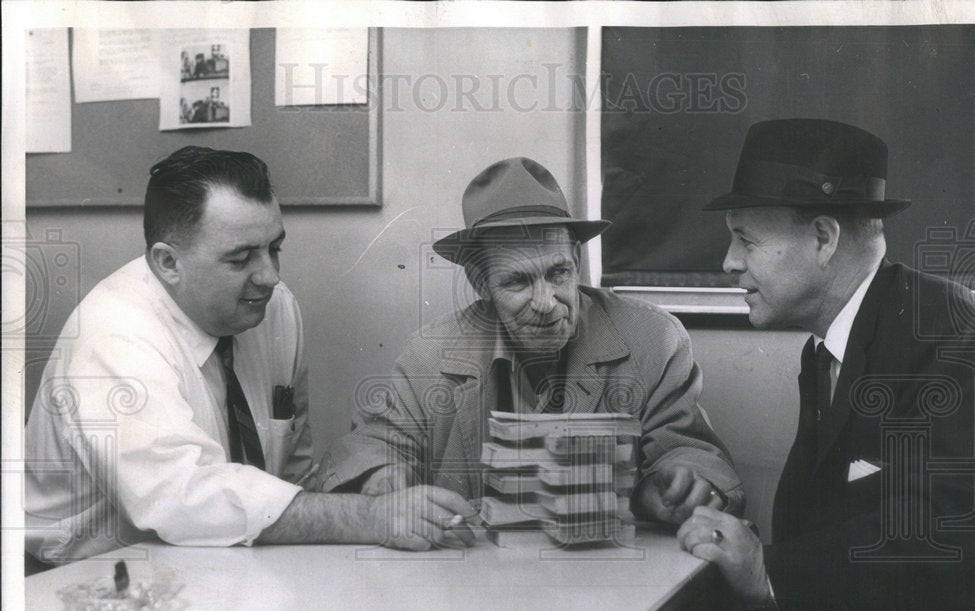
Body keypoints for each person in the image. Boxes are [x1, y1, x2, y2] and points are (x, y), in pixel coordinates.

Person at [678, 119, 975, 611]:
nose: (729, 262)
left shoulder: (955, 340)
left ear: (822, 238)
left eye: (745, 239)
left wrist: (767, 571)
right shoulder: (830, 347)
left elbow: (937, 534)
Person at [25, 146, 475, 567]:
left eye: (274, 248)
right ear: (168, 263)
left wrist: (369, 486)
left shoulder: (273, 309)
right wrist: (372, 517)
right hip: (86, 576)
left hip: (220, 562)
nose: (270, 276)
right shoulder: (114, 335)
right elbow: (182, 500)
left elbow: (289, 474)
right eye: (241, 259)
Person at [322, 157, 744, 525]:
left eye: (558, 273)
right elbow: (372, 447)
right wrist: (381, 477)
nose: (545, 303)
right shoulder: (429, 355)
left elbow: (687, 450)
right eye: (518, 281)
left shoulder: (652, 339)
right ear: (481, 284)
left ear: (576, 260)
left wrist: (679, 482)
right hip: (475, 578)